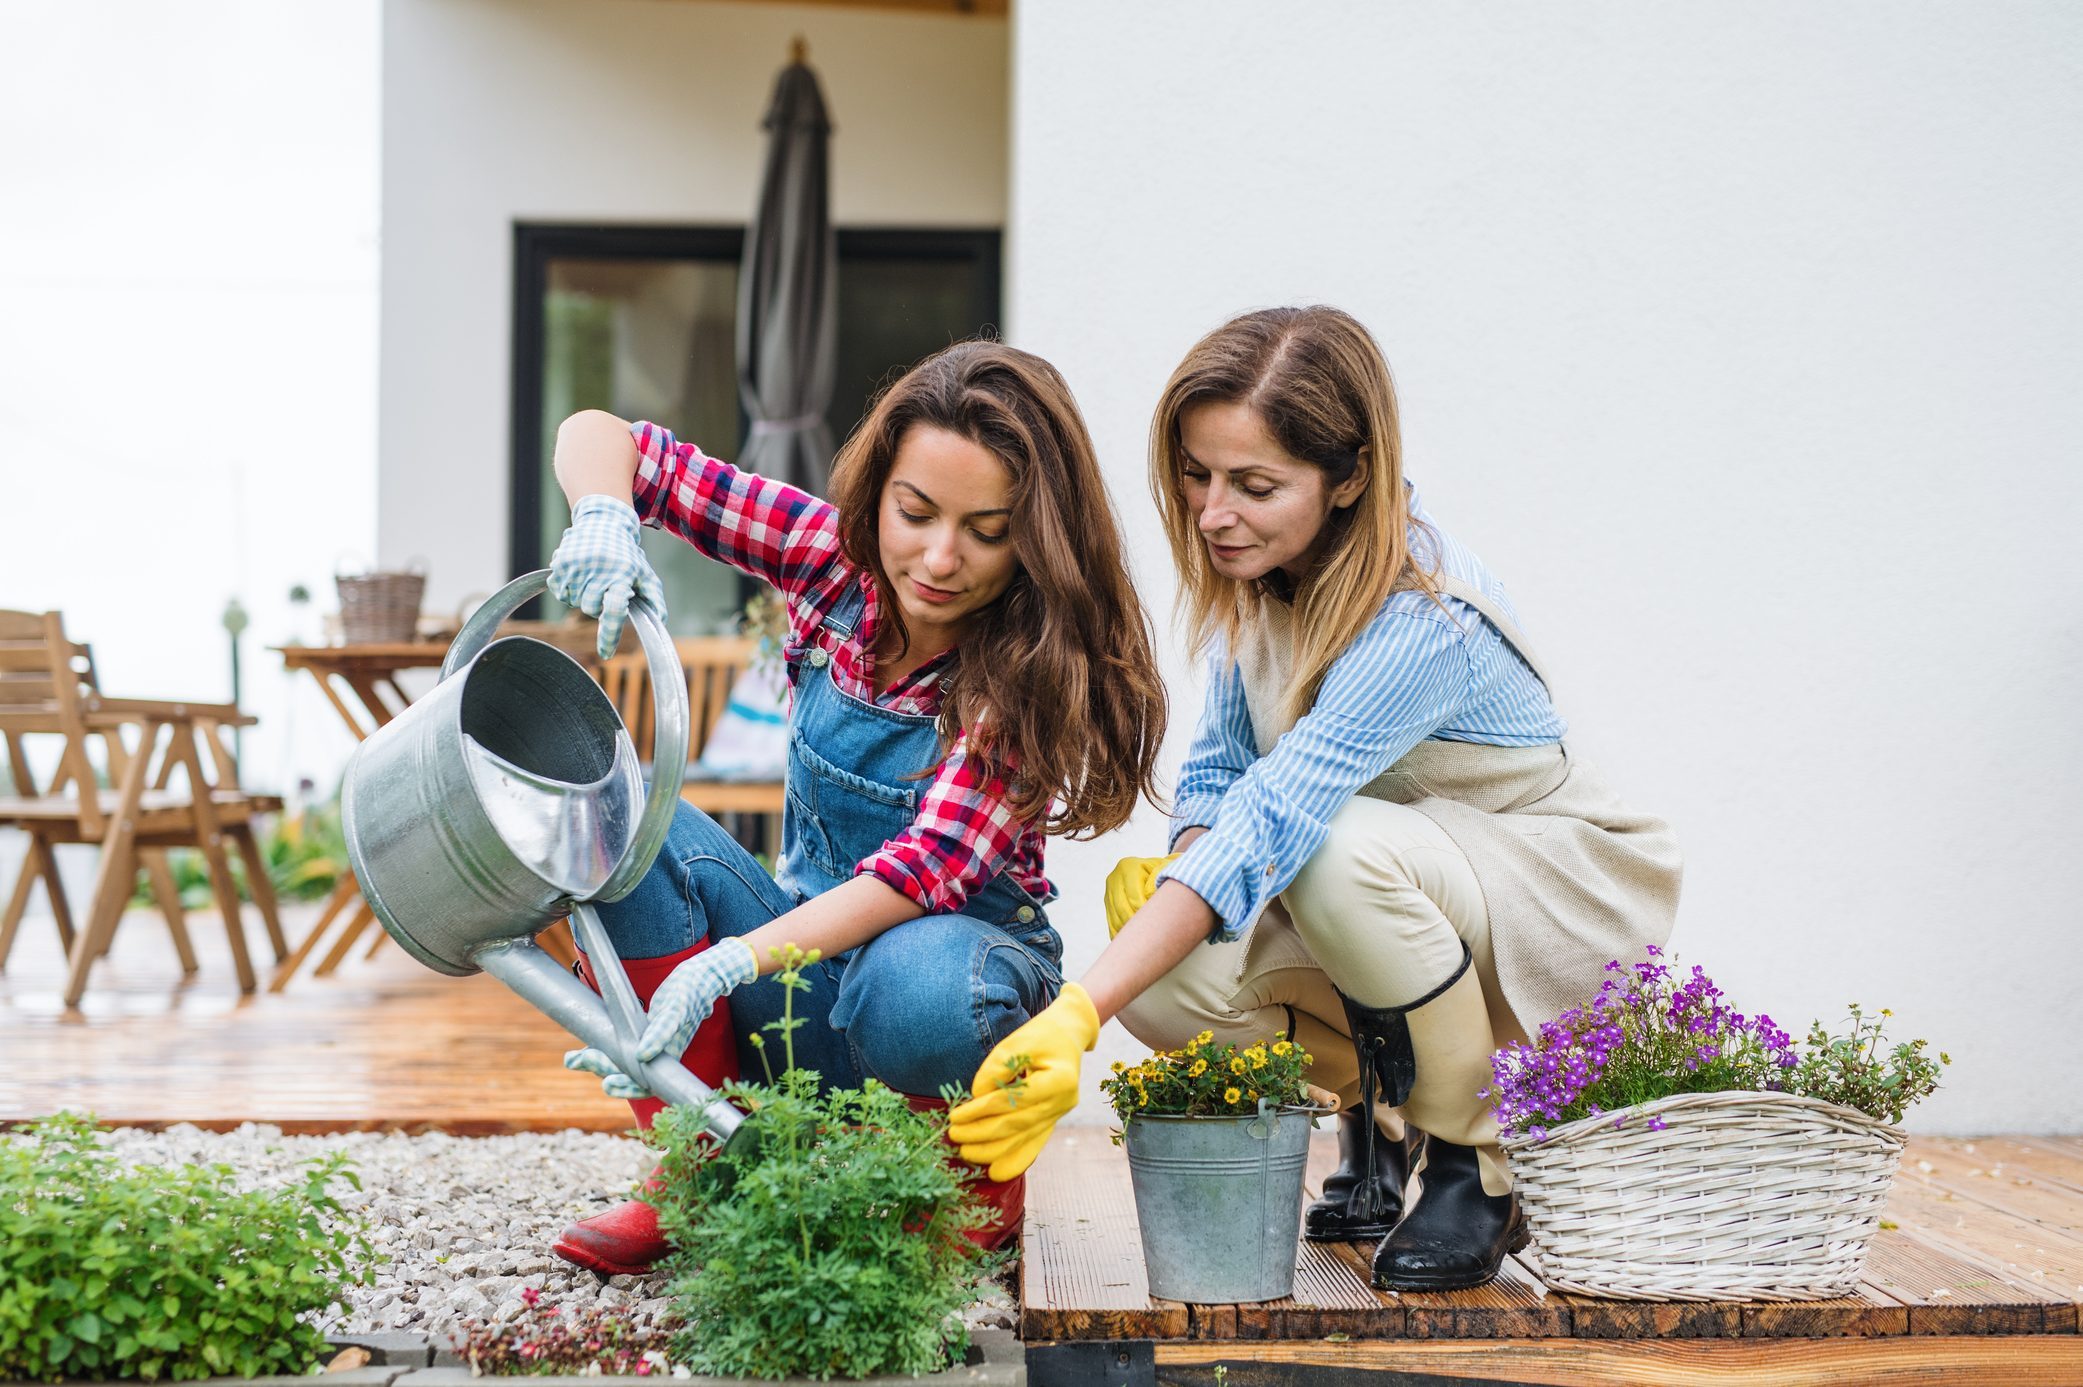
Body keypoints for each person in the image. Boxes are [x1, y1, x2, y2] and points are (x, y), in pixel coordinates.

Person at [948, 307, 1682, 1291]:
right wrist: (1182, 872)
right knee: (1174, 988)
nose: (1213, 513)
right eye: (1197, 475)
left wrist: (1078, 1007)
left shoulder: (1421, 615)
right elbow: (1220, 772)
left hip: (1551, 888)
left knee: (1330, 852)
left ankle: (1477, 1164)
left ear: (1349, 478)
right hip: (1408, 884)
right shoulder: (1264, 582)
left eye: (1254, 485)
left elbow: (1279, 811)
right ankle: (1378, 1123)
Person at [543, 341, 1167, 1275]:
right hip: (804, 975)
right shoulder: (826, 558)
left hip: (944, 979)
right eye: (914, 512)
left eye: (987, 530)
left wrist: (724, 963)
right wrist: (603, 511)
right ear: (879, 490)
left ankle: (956, 1186)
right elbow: (608, 439)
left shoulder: (1029, 671)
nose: (939, 557)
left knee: (910, 982)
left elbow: (922, 873)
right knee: (620, 818)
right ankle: (701, 1165)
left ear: (1034, 538)